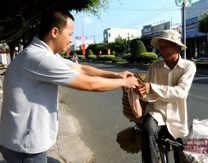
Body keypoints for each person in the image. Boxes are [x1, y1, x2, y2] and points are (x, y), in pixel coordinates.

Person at [0, 10, 138, 163]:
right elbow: (90, 84)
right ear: (54, 32)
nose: (71, 39)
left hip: (21, 139)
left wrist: (116, 75)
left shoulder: (47, 55)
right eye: (70, 34)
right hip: (24, 147)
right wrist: (124, 83)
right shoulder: (40, 58)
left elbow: (80, 68)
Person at [134, 30, 196, 163]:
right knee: (148, 130)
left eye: (165, 46)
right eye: (159, 47)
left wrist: (152, 87)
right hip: (156, 112)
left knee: (183, 155)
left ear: (177, 47)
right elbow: (147, 96)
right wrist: (142, 93)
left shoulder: (188, 67)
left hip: (177, 116)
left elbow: (180, 93)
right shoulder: (154, 67)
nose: (161, 51)